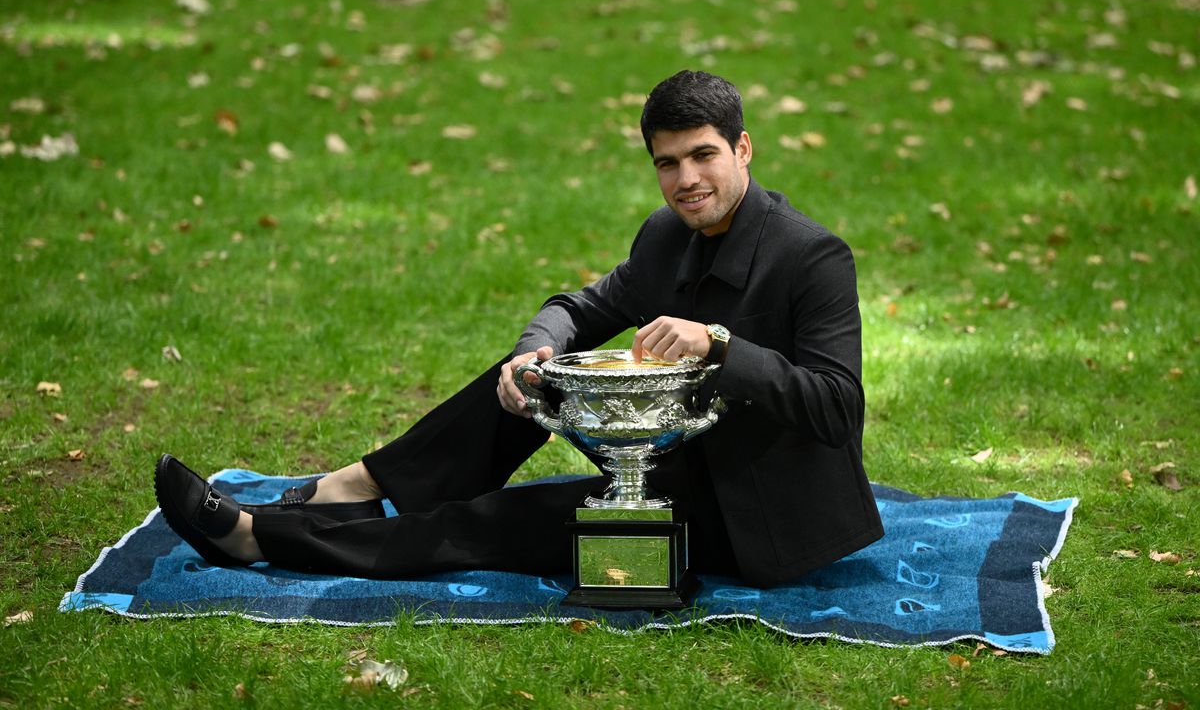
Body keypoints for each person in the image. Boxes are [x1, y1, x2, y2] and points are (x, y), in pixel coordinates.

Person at [155, 70, 883, 589]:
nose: (686, 178)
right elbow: (577, 308)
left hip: (760, 511)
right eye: (668, 162)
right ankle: (352, 487)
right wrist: (528, 355)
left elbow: (837, 407)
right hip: (661, 457)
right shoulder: (665, 236)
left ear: (743, 150)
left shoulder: (811, 255)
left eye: (703, 155)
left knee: (499, 519)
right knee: (531, 377)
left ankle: (260, 540)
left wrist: (719, 346)